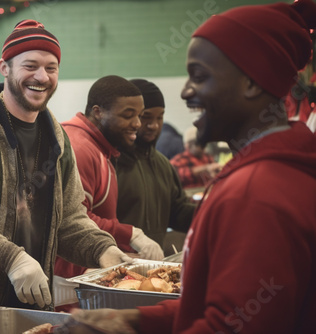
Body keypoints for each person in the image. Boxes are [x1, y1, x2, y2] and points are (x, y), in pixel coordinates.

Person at [61, 1, 316, 332]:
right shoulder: (266, 172)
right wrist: (135, 319)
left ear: (251, 83)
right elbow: (214, 305)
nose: (185, 91)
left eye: (199, 76)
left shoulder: (256, 192)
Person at [0, 20, 131, 310]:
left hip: (27, 304)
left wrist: (101, 248)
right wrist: (9, 257)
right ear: (5, 67)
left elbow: (68, 219)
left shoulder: (57, 140)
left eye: (51, 68)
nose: (41, 77)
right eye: (30, 66)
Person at [53, 76, 164, 310]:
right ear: (98, 112)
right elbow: (73, 218)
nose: (137, 124)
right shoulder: (81, 149)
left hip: (82, 273)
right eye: (127, 115)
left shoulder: (98, 148)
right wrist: (130, 234)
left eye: (139, 115)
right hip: (69, 279)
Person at [115, 79, 195, 250]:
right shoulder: (111, 163)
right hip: (113, 268)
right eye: (146, 117)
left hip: (152, 268)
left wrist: (212, 211)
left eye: (160, 117)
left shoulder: (163, 164)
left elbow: (176, 212)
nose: (154, 125)